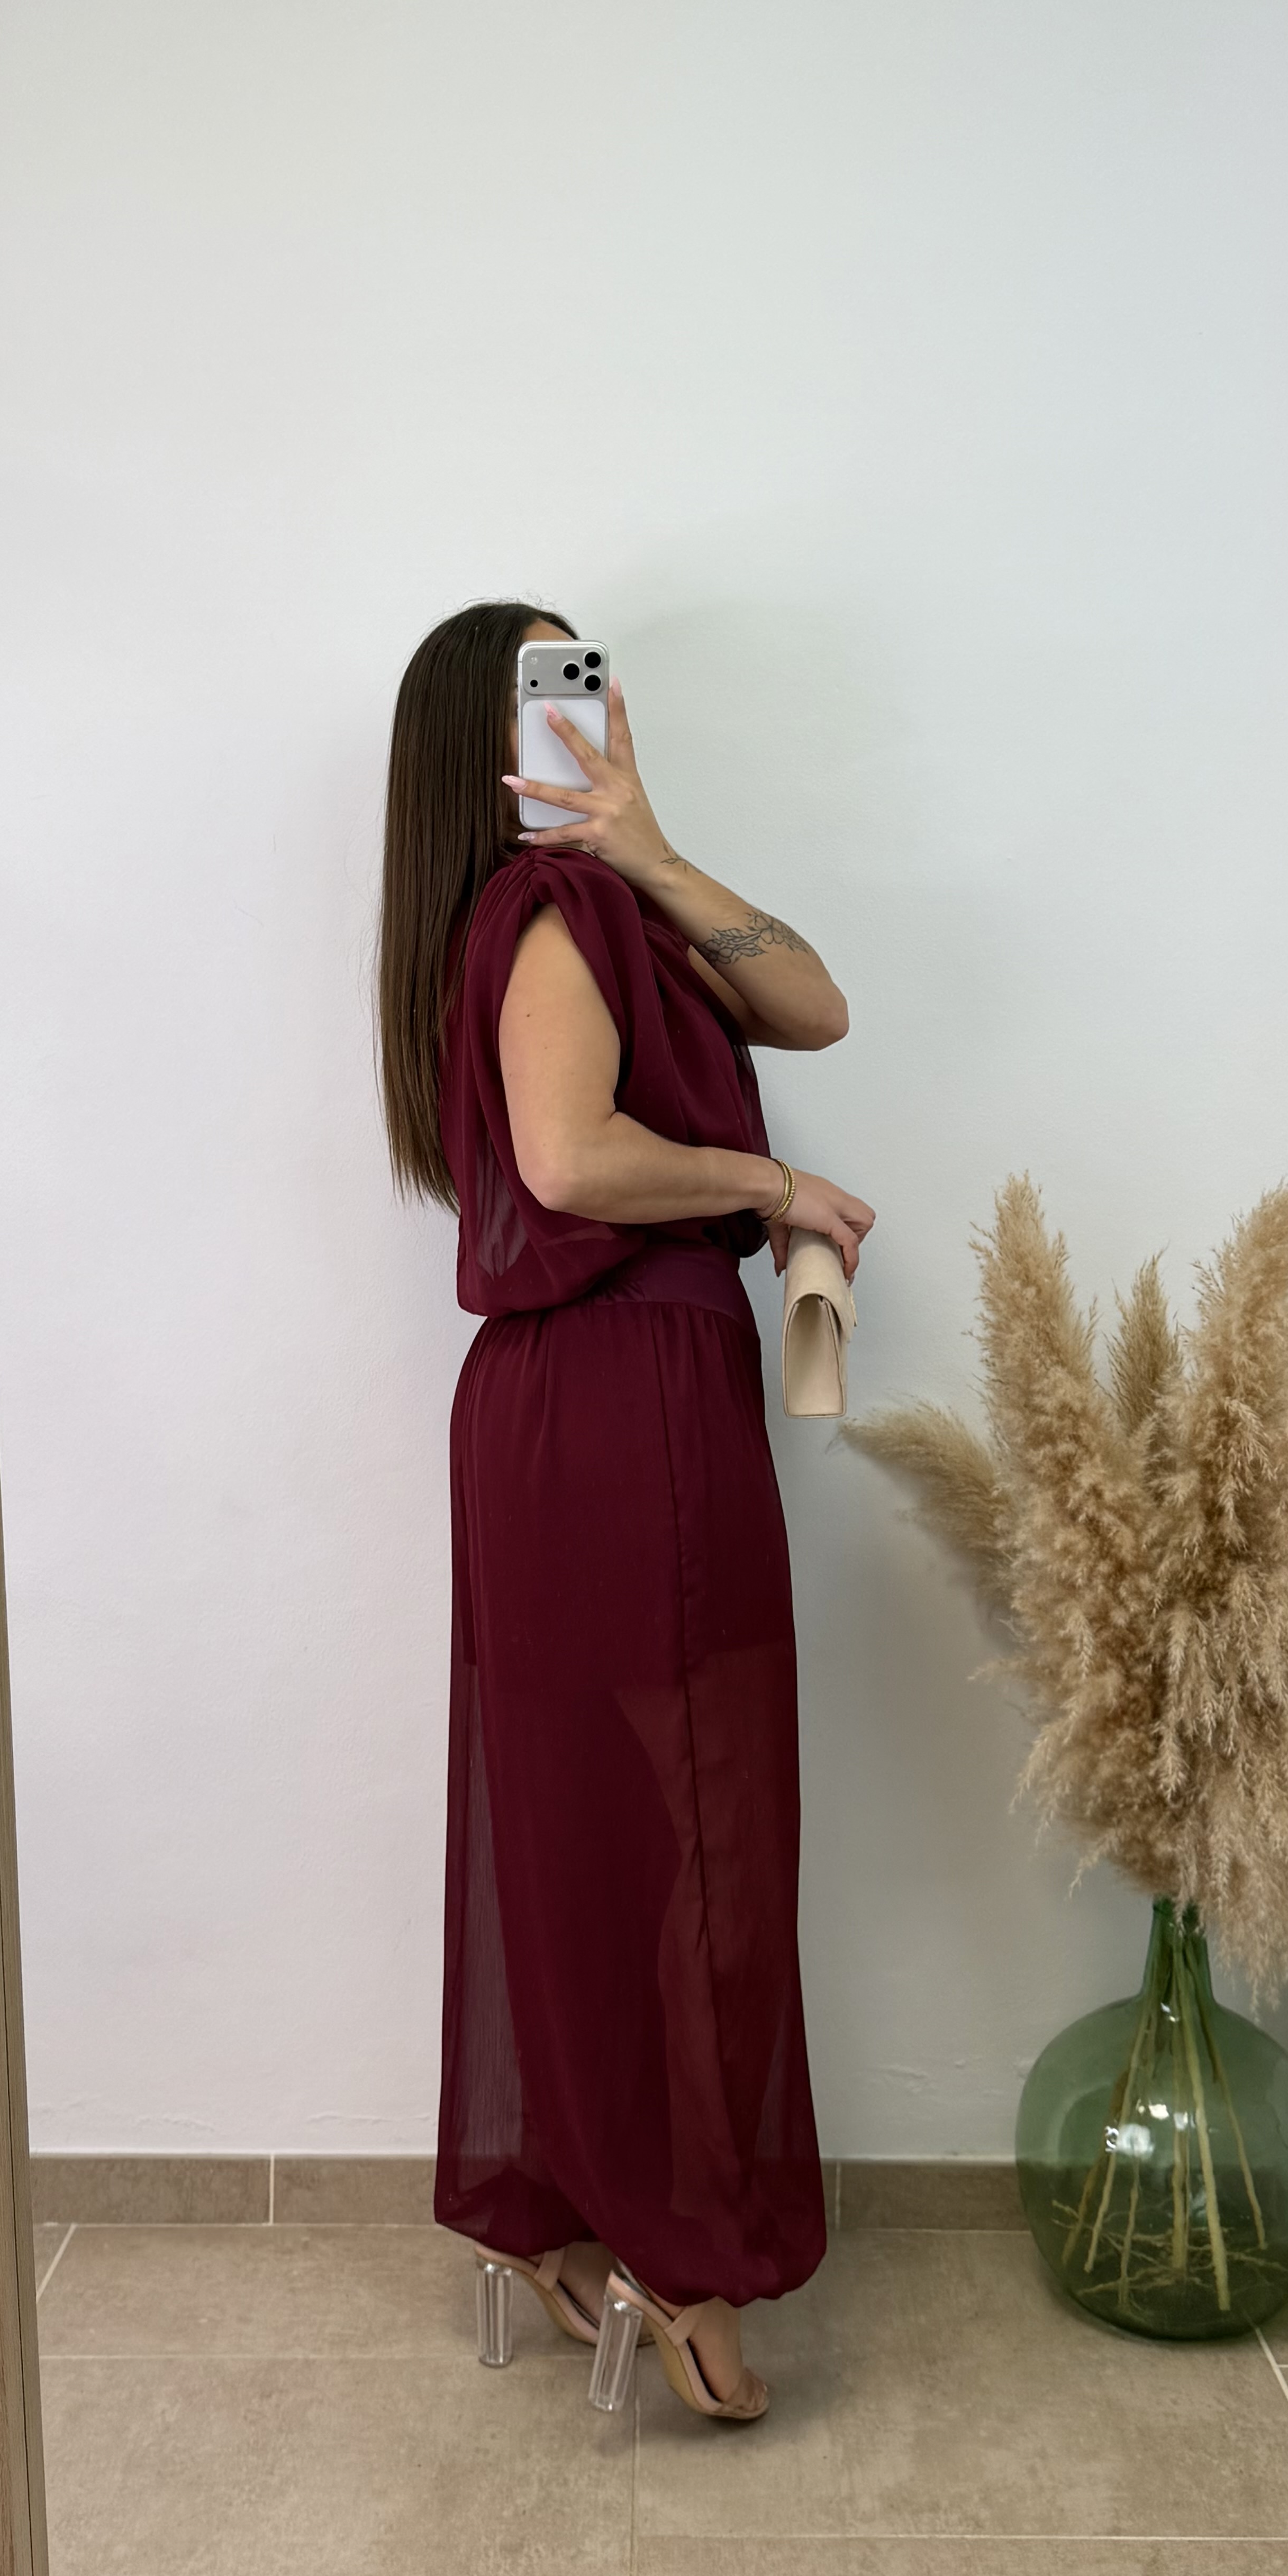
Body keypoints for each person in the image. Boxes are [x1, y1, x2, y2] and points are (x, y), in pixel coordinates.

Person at [376, 600, 874, 2420]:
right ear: (479, 741)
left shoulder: (590, 906)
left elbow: (816, 1002)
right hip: (626, 1393)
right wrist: (773, 1186)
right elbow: (574, 1158)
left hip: (559, 1401)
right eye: (545, 687)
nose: (584, 710)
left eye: (590, 678)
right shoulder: (552, 915)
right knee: (694, 1831)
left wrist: (649, 844)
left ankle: (553, 2207)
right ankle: (682, 2251)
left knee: (589, 1820)